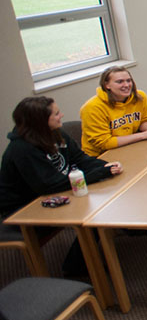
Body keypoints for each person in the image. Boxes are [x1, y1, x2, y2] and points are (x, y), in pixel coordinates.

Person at [0, 96, 122, 275]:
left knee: (103, 201)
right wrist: (98, 174)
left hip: (52, 192)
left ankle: (88, 258)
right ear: (40, 121)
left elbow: (80, 160)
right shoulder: (21, 150)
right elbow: (49, 185)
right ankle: (76, 268)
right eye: (56, 114)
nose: (61, 115)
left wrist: (104, 166)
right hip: (24, 209)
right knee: (92, 216)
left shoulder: (57, 134)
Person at [80, 66, 147, 156]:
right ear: (106, 85)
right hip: (100, 156)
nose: (126, 85)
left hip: (127, 146)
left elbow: (142, 122)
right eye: (119, 82)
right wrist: (144, 135)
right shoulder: (92, 108)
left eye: (128, 80)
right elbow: (105, 143)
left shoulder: (140, 97)